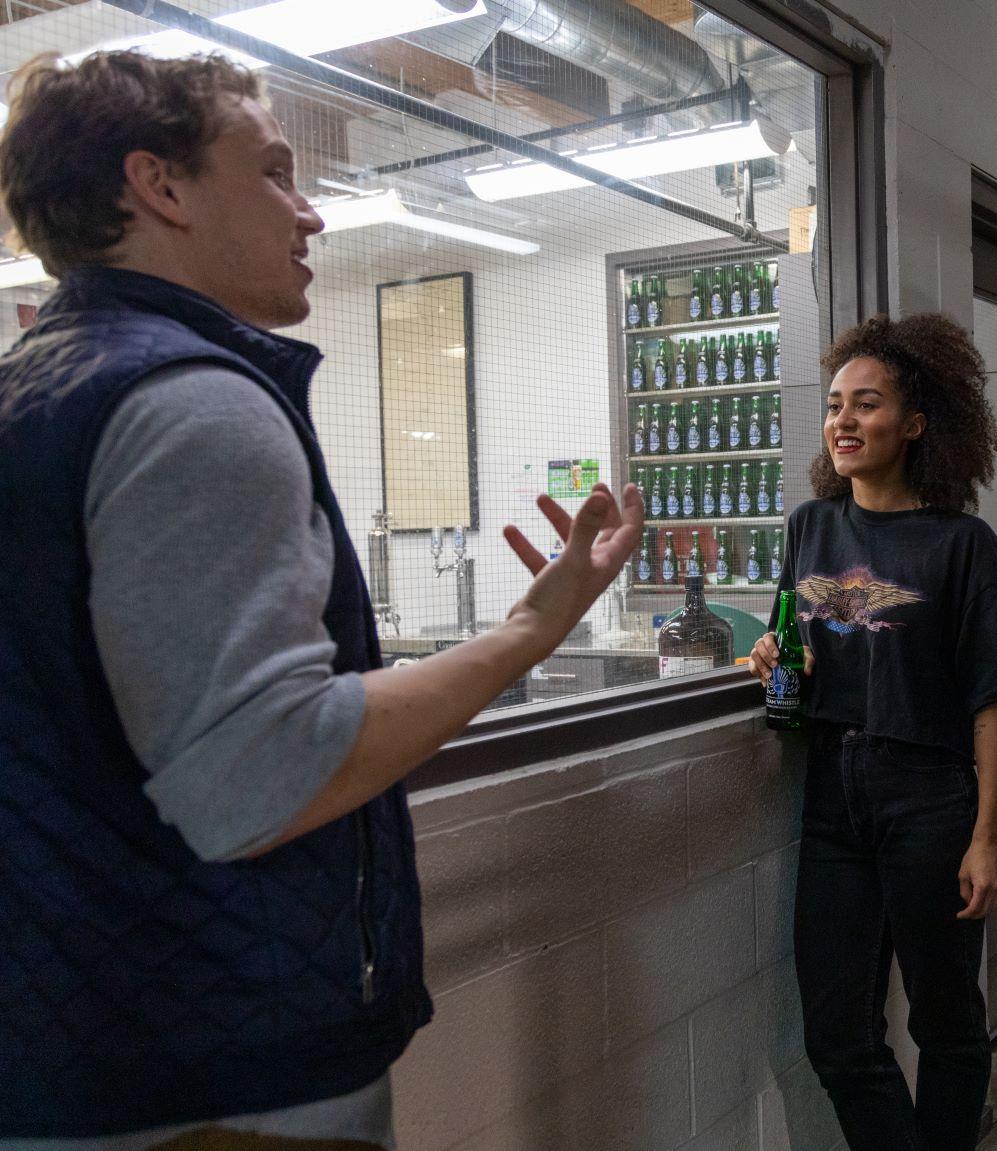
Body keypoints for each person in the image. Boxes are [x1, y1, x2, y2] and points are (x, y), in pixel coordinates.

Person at [0, 53, 643, 1147]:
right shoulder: (192, 403)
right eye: (275, 172)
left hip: (78, 1041)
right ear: (158, 185)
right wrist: (531, 629)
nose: (311, 215)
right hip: (215, 1080)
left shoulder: (40, 387)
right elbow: (261, 777)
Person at [746, 313, 997, 1151]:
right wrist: (771, 652)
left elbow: (993, 703)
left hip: (929, 796)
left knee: (947, 1023)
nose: (843, 419)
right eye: (835, 403)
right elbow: (796, 648)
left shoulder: (961, 543)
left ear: (915, 423)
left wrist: (988, 838)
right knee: (837, 1034)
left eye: (866, 403)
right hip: (834, 793)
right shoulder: (810, 525)